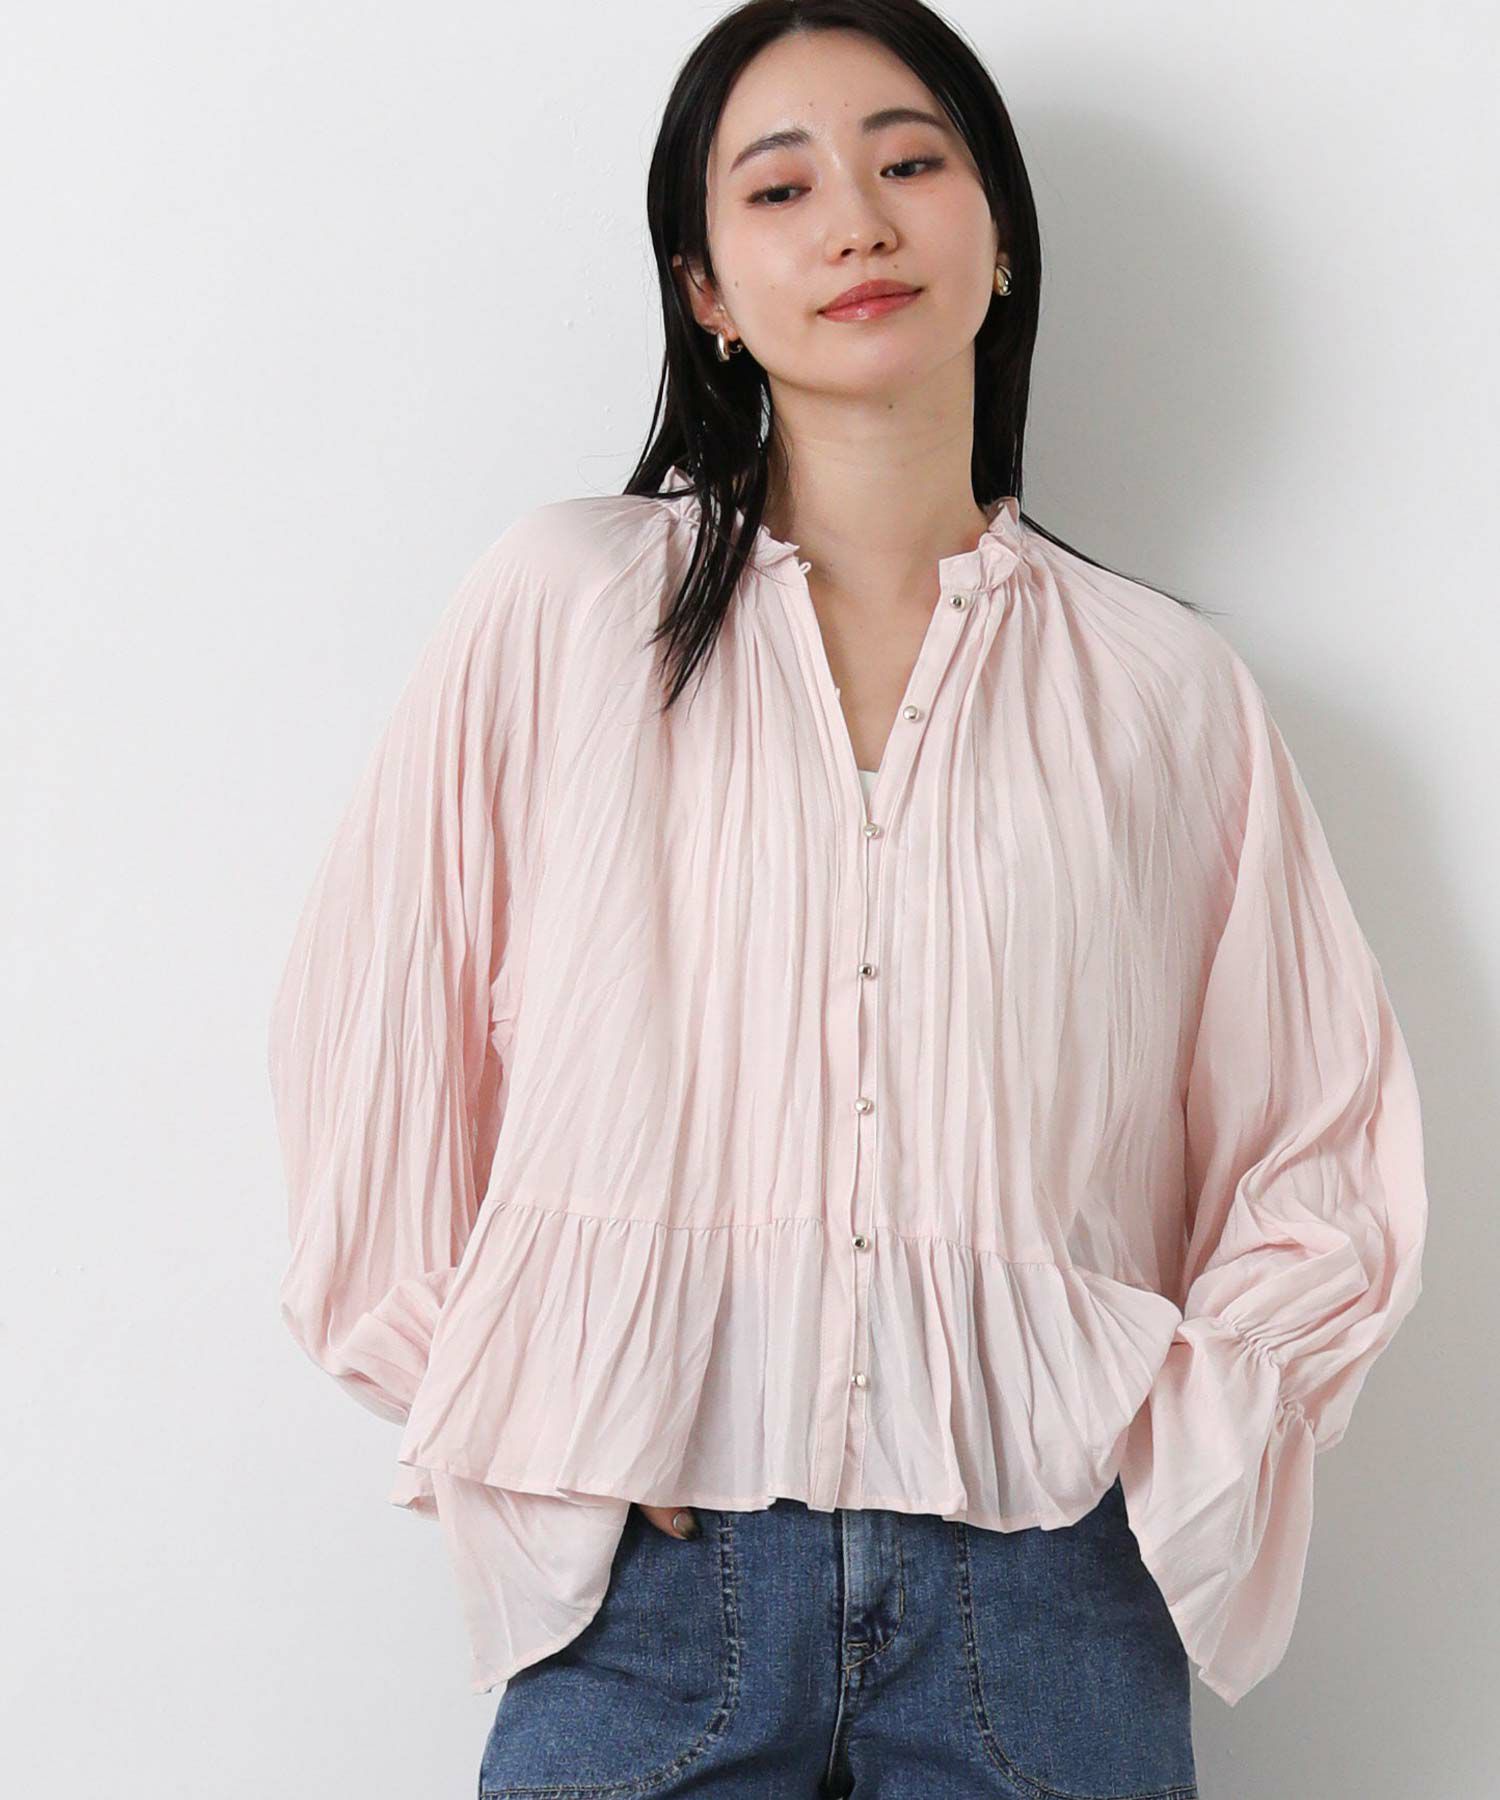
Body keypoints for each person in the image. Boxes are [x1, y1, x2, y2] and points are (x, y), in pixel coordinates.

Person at [266, 3, 1428, 1794]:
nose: (859, 223)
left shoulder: (1164, 692)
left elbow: (1320, 1141)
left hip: (1045, 1601)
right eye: (781, 187)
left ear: (999, 233)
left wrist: (1168, 1422)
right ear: (708, 291)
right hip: (645, 1593)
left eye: (909, 162)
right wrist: (521, 1396)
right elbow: (377, 1047)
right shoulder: (566, 609)